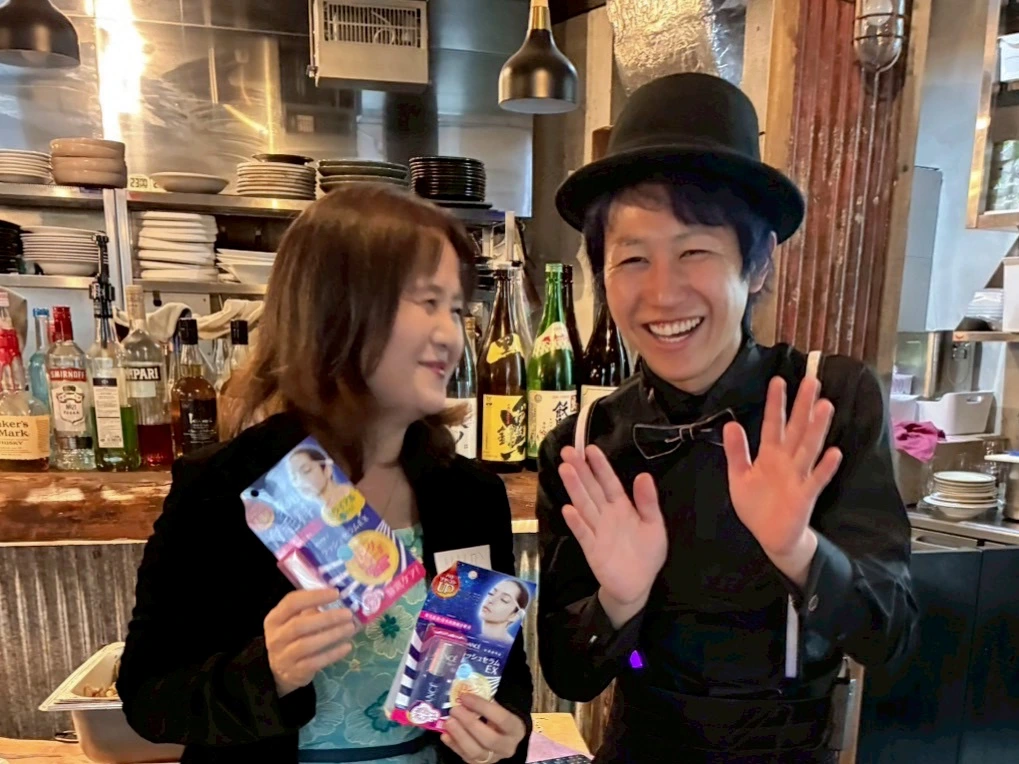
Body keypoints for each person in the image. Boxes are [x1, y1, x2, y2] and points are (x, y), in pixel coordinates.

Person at [536, 73, 919, 764]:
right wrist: (618, 599)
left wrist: (798, 550)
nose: (662, 293)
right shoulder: (586, 444)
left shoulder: (825, 400)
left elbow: (889, 639)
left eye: (694, 252)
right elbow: (569, 674)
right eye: (631, 259)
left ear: (758, 262)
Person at [117, 186, 532, 764]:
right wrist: (268, 671)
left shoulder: (469, 495)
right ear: (337, 309)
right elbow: (148, 697)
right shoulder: (229, 488)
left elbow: (502, 679)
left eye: (457, 309)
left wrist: (503, 735)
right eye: (427, 301)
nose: (450, 334)